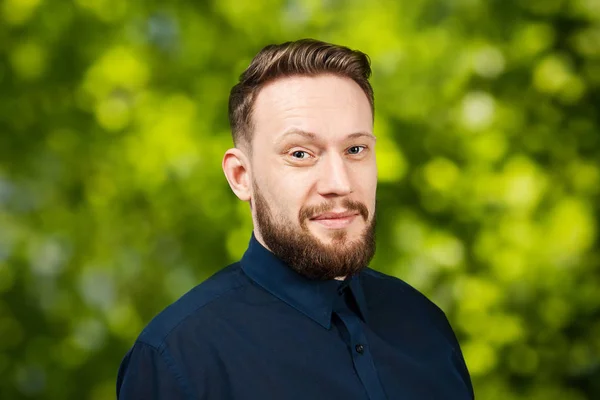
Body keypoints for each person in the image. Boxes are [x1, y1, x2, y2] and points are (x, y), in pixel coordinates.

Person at [116, 39, 474, 399]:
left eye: (355, 150)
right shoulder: (177, 359)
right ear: (241, 176)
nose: (340, 183)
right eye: (300, 153)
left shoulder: (425, 326)